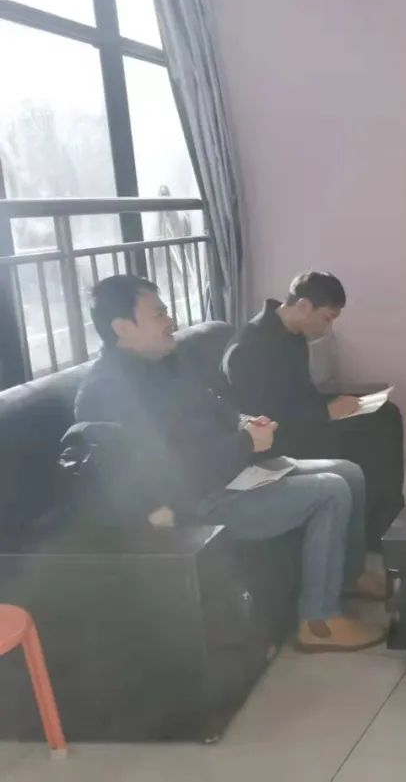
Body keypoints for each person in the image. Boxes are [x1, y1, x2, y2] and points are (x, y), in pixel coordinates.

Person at [75, 275, 387, 653]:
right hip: (197, 502)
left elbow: (216, 405)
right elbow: (169, 471)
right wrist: (245, 443)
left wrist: (244, 422)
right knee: (330, 490)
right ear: (122, 328)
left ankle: (348, 576)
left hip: (230, 474)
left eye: (167, 311)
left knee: (348, 472)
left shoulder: (166, 364)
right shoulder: (108, 392)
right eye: (158, 314)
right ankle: (319, 621)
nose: (170, 320)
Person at [223, 272, 405, 550]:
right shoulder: (250, 346)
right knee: (373, 432)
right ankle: (376, 533)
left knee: (386, 414)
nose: (327, 328)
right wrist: (325, 411)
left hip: (303, 419)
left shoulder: (293, 335)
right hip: (278, 437)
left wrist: (335, 403)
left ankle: (389, 521)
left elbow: (298, 394)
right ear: (304, 306)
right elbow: (264, 414)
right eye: (327, 318)